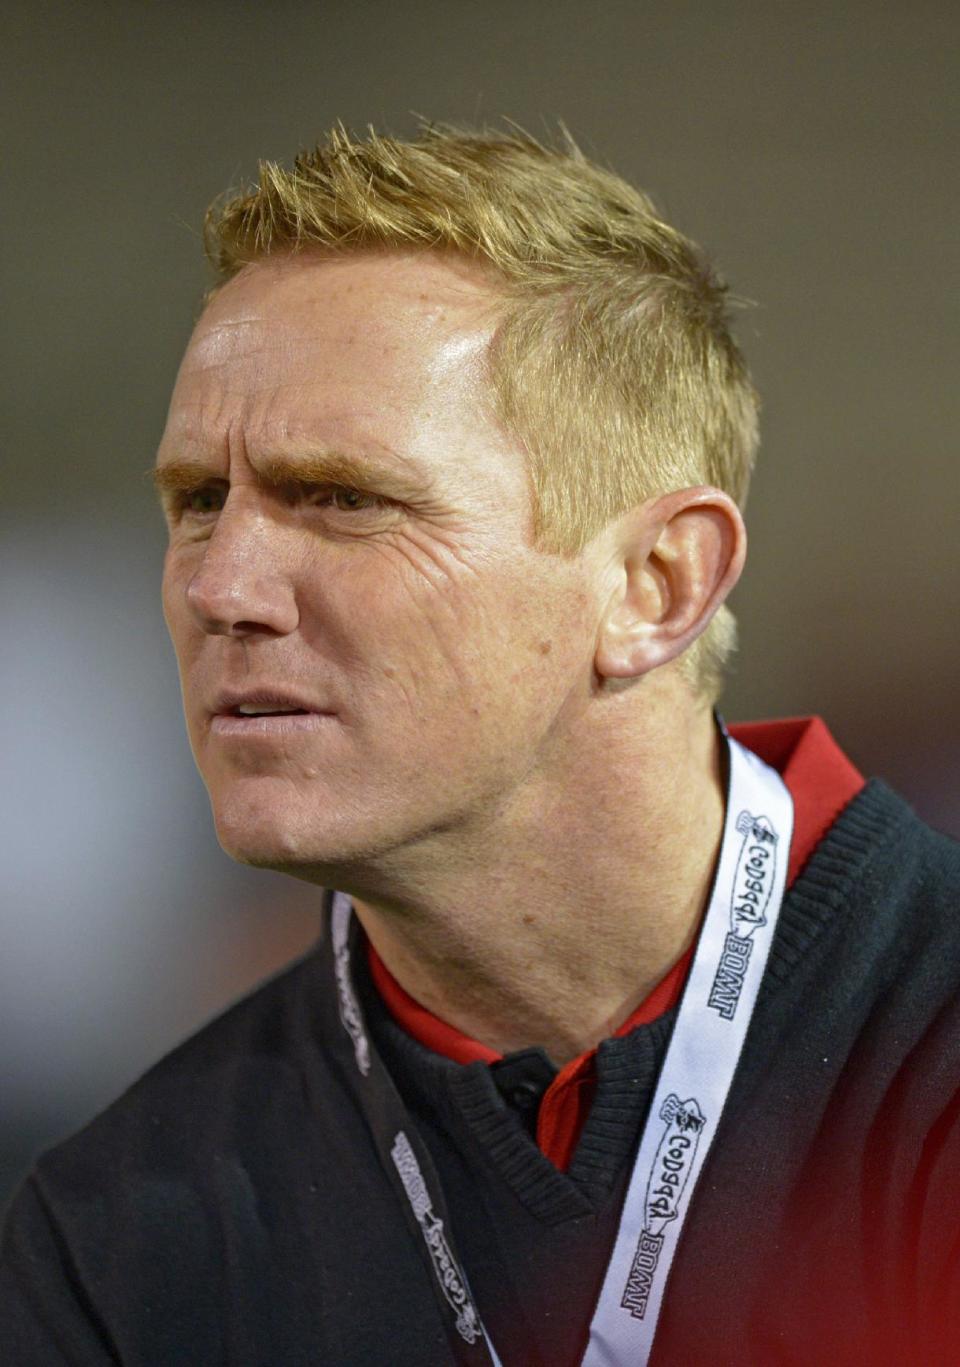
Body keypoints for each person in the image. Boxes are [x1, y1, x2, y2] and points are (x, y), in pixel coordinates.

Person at [2, 119, 958, 1367]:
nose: (221, 583)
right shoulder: (117, 1234)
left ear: (656, 585)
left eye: (344, 498)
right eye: (197, 502)